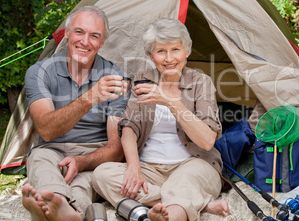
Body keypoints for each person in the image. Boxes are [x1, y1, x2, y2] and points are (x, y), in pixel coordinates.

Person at [92, 18, 230, 221]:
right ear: (150, 55)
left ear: (187, 50)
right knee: (101, 174)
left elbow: (207, 141)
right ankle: (198, 203)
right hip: (150, 168)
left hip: (193, 164)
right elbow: (129, 126)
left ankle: (168, 214)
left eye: (175, 49)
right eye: (161, 51)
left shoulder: (201, 82)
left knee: (184, 182)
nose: (169, 58)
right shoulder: (143, 78)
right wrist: (134, 166)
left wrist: (171, 102)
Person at [21, 5, 129, 221]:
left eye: (94, 36)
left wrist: (81, 162)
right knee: (40, 160)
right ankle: (55, 201)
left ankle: (61, 212)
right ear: (67, 33)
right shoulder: (40, 72)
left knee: (87, 181)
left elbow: (115, 149)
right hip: (51, 149)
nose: (85, 41)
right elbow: (46, 130)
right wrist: (90, 97)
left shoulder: (115, 77)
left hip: (94, 154)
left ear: (102, 42)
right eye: (79, 32)